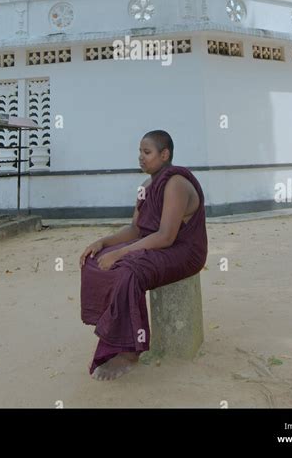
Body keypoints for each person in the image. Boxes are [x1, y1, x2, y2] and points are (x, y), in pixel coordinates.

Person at [79, 130, 208, 380]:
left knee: (128, 270)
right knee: (94, 261)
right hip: (157, 245)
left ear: (165, 154)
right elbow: (136, 229)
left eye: (146, 152)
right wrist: (103, 242)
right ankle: (112, 331)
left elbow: (166, 236)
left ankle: (129, 351)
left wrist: (120, 254)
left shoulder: (176, 184)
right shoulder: (145, 187)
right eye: (139, 152)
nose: (140, 157)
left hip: (183, 252)